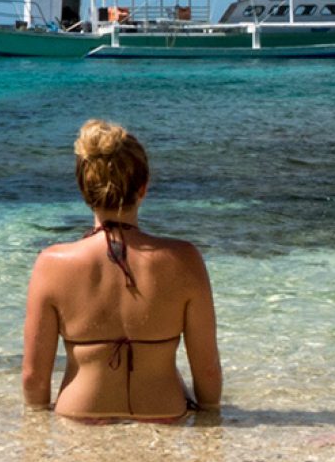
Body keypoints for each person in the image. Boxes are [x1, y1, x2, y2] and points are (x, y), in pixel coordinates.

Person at [22, 119, 222, 421]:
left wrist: (37, 430)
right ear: (143, 187)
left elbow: (33, 378)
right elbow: (206, 372)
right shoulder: (184, 259)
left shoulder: (51, 264)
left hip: (80, 415)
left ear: (83, 188)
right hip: (163, 412)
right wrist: (211, 421)